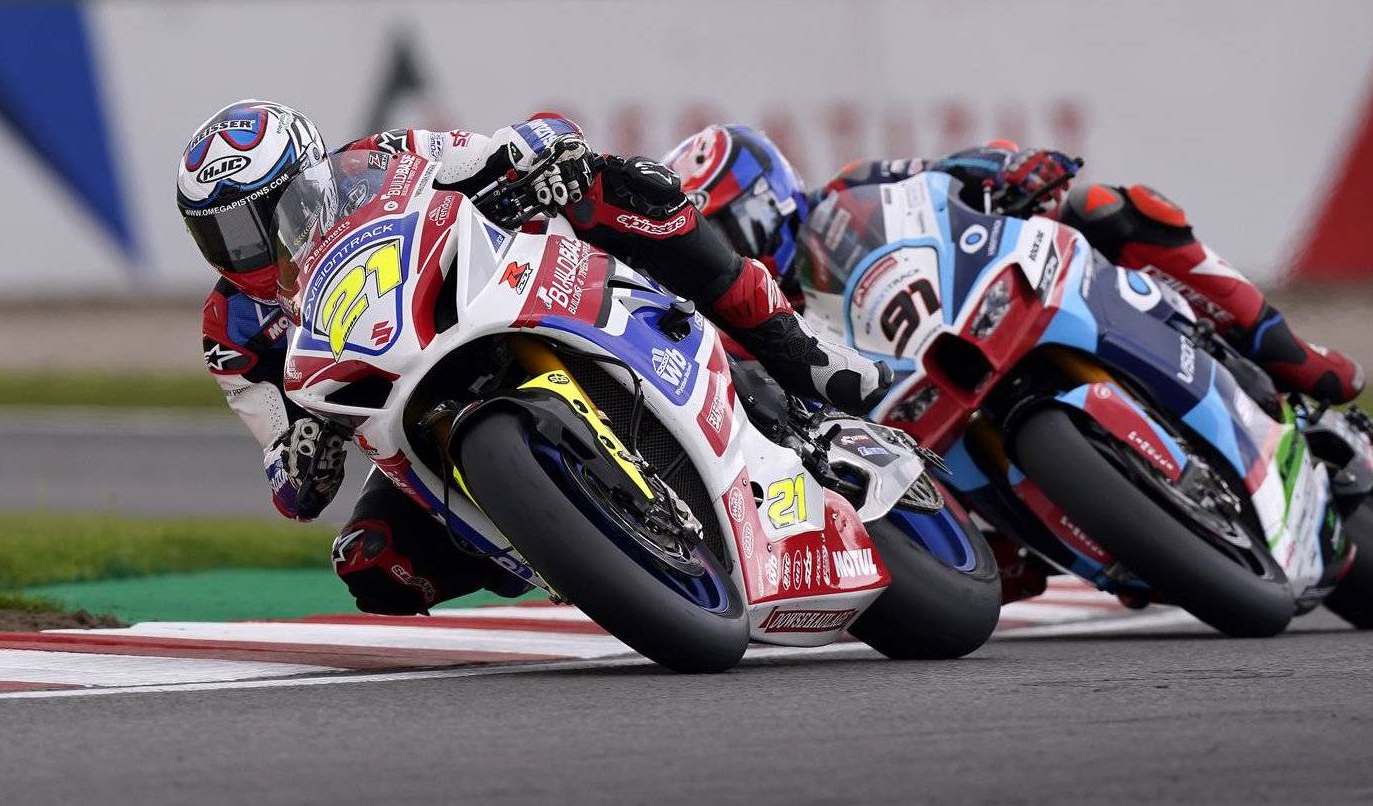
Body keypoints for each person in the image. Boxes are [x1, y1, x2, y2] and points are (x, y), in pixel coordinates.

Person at [176, 100, 892, 615]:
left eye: (269, 213)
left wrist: (534, 155)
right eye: (228, 235)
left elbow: (489, 152)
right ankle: (565, 539)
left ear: (314, 177)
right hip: (406, 414)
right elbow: (285, 474)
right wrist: (302, 450)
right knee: (373, 563)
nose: (256, 244)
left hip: (490, 297)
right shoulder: (230, 332)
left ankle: (791, 347)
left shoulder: (382, 160)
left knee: (618, 185)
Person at [664, 124, 1364, 405]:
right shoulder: (754, 330)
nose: (732, 250)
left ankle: (1283, 347)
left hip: (982, 298)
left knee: (1110, 206)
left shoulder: (850, 189)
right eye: (715, 242)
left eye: (734, 226)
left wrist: (1010, 169)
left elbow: (950, 169)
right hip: (911, 408)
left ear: (770, 193)